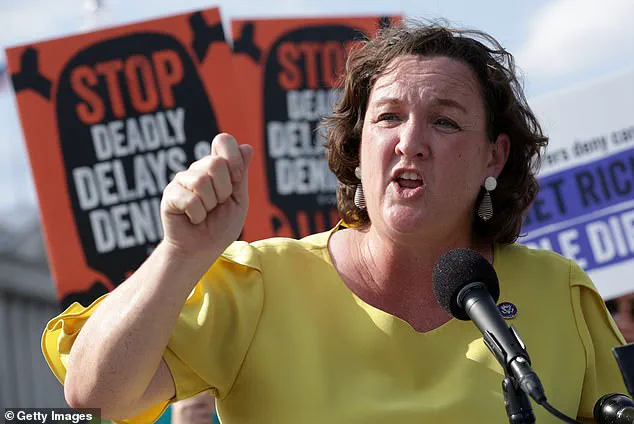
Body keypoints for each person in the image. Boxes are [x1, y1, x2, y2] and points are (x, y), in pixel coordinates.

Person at [41, 20, 627, 423]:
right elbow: (96, 398)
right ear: (357, 146)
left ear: (493, 158)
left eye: (445, 122)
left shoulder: (560, 292)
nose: (410, 142)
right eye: (388, 118)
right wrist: (180, 254)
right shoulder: (258, 284)